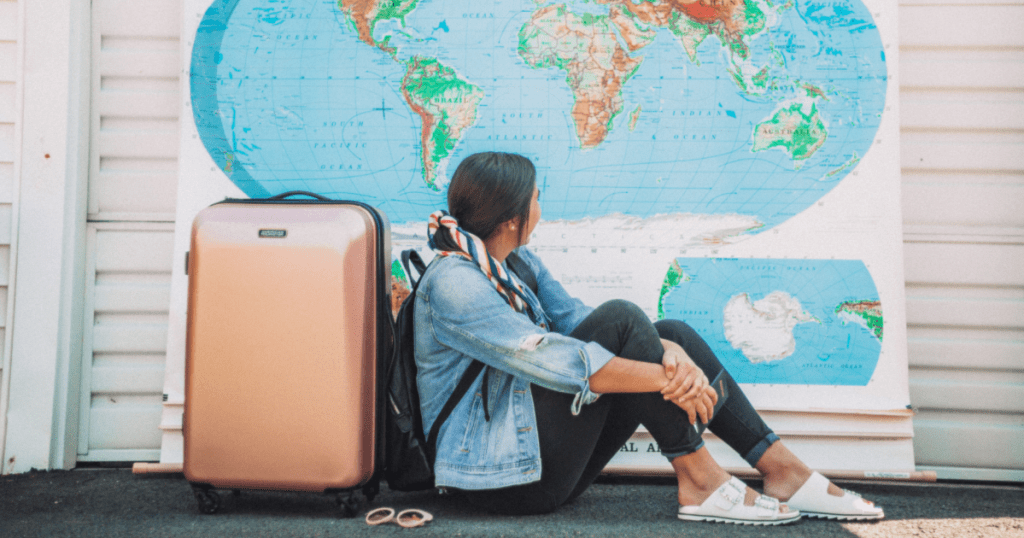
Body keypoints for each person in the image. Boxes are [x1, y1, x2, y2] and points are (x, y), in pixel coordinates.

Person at [412, 152, 884, 524]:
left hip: (537, 463)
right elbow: (553, 361)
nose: (541, 208)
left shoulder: (516, 265)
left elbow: (579, 319)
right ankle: (700, 480)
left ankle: (782, 470)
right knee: (624, 320)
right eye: (536, 198)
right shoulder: (454, 282)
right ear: (513, 216)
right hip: (498, 479)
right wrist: (665, 377)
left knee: (668, 331)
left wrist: (670, 354)